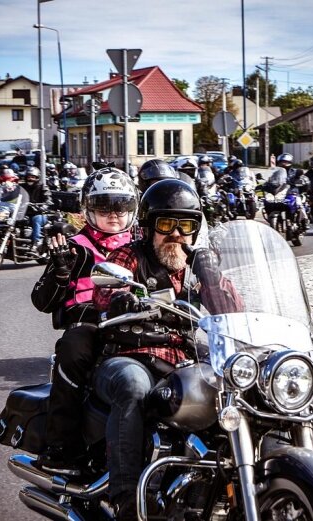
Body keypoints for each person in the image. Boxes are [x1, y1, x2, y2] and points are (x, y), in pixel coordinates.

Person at [90, 178, 243, 519]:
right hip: (129, 356)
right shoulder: (131, 255)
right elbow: (104, 290)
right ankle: (126, 497)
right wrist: (121, 297)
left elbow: (234, 312)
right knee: (134, 388)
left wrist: (210, 272)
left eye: (185, 225)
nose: (176, 233)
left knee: (234, 390)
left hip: (184, 362)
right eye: (166, 224)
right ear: (148, 227)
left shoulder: (197, 266)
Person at [30, 167, 138, 474]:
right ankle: (61, 448)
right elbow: (42, 301)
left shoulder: (141, 245)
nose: (114, 214)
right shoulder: (75, 247)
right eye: (104, 207)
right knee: (74, 348)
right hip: (89, 322)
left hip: (135, 319)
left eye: (121, 206)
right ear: (88, 209)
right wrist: (60, 271)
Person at [19, 167, 53, 252]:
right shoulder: (22, 187)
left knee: (36, 219)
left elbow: (48, 199)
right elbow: (14, 196)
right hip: (25, 213)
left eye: (33, 177)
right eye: (29, 177)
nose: (30, 179)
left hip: (40, 213)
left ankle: (36, 242)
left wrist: (43, 206)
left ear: (37, 178)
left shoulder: (42, 187)